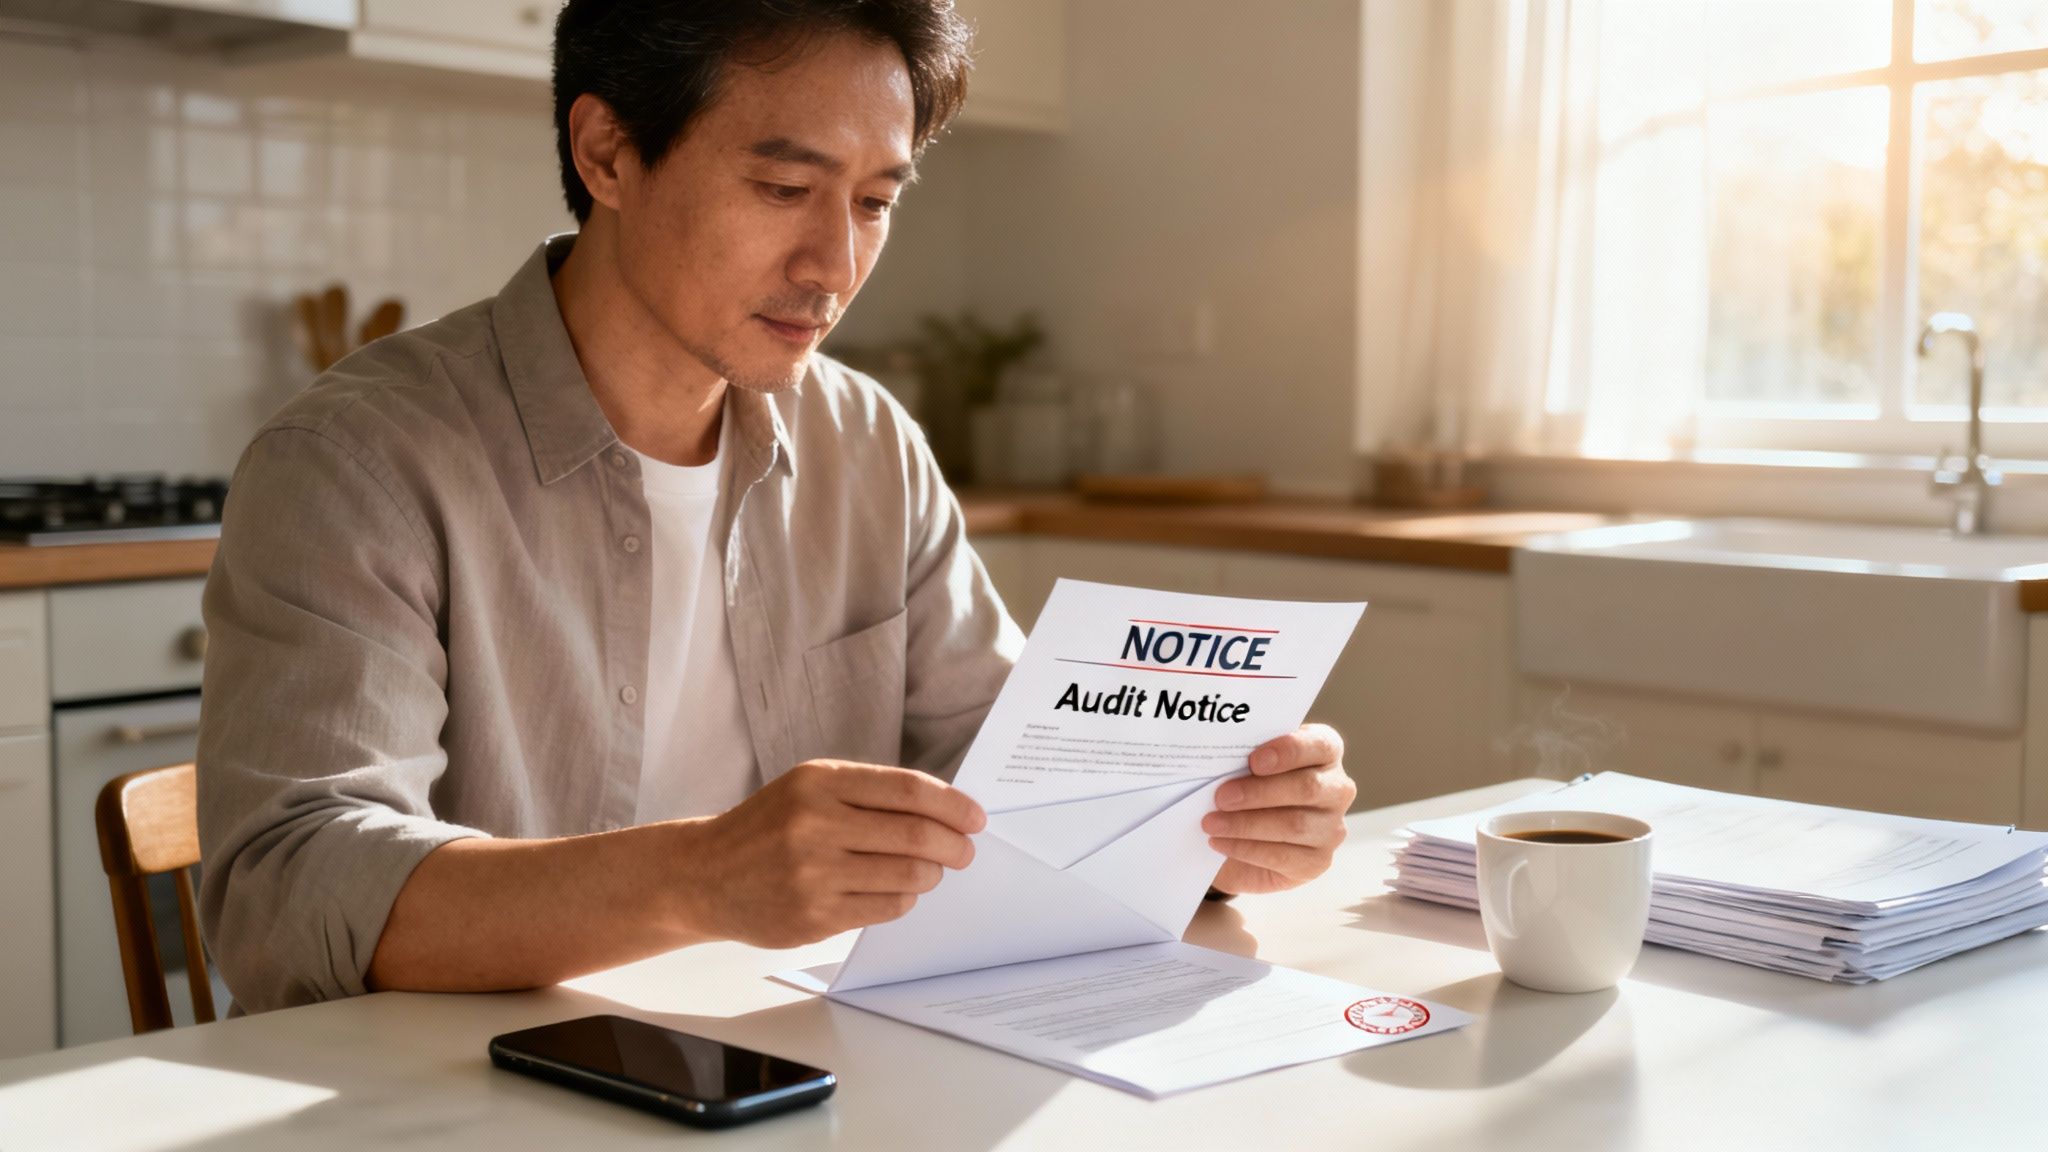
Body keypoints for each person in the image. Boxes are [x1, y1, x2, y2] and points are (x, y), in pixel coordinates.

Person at [196, 0, 1357, 1014]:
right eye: (784, 187)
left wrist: (1207, 829)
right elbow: (289, 896)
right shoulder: (359, 459)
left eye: (872, 202)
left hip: (782, 1062)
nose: (833, 264)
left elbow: (1015, 787)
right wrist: (700, 879)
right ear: (605, 153)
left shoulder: (866, 445)